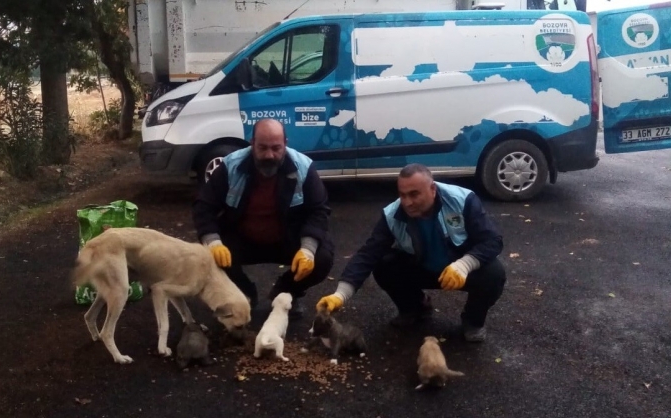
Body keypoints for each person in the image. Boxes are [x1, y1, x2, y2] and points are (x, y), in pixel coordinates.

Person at [315, 163, 505, 342]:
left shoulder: (463, 200)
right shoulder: (392, 214)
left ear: (433, 189)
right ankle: (415, 308)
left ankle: (472, 320)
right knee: (384, 265)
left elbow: (492, 241)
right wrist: (340, 295)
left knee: (494, 273)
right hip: (422, 268)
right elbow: (367, 255)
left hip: (459, 270)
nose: (407, 202)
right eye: (402, 195)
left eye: (414, 194)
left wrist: (464, 265)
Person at [192, 119, 334, 317]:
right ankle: (245, 293)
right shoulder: (231, 166)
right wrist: (213, 242)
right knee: (208, 257)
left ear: (286, 143)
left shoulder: (303, 168)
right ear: (252, 144)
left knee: (322, 258)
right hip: (242, 239)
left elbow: (319, 210)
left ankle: (284, 293)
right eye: (262, 148)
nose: (269, 155)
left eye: (276, 148)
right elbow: (204, 206)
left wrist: (308, 250)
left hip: (287, 239)